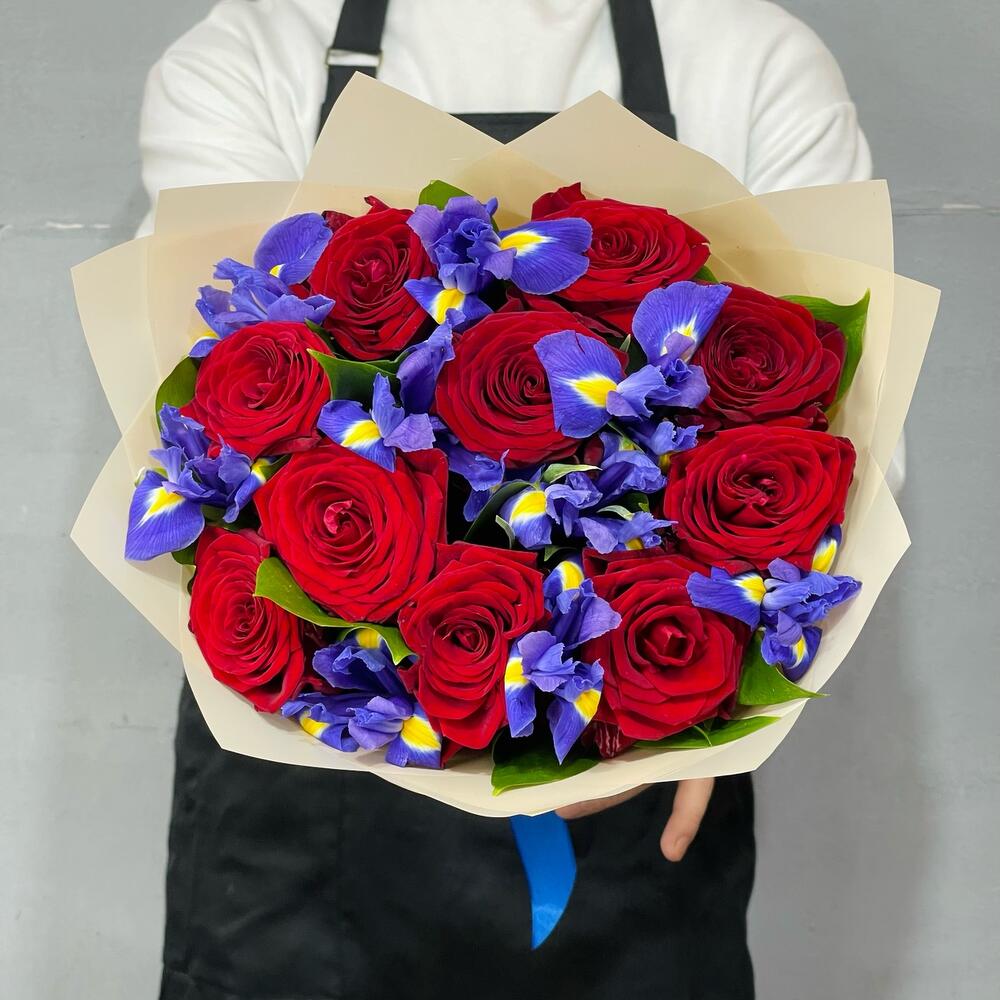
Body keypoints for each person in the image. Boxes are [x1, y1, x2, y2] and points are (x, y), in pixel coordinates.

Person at [138, 3, 888, 998]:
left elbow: (859, 455)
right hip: (311, 776)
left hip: (640, 753)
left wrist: (697, 703)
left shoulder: (748, 56)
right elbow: (192, 411)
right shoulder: (249, 54)